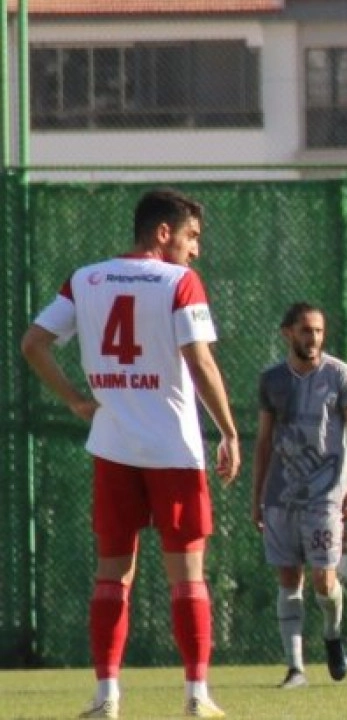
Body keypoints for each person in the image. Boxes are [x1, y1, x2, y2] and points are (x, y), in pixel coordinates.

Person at [20, 189, 241, 719]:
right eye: (191, 236)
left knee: (112, 575)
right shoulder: (179, 281)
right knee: (187, 576)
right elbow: (200, 361)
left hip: (114, 445)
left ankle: (106, 697)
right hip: (173, 449)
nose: (195, 250)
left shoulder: (86, 278)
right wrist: (229, 431)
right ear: (163, 233)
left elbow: (33, 343)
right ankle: (196, 695)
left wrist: (74, 399)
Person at [251, 302, 347, 690]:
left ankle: (333, 636)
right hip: (281, 495)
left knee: (323, 578)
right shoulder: (272, 380)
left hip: (326, 495)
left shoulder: (340, 375)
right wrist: (257, 497)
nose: (313, 338)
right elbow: (264, 442)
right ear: (288, 333)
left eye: (318, 330)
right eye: (305, 330)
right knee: (289, 577)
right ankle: (295, 668)